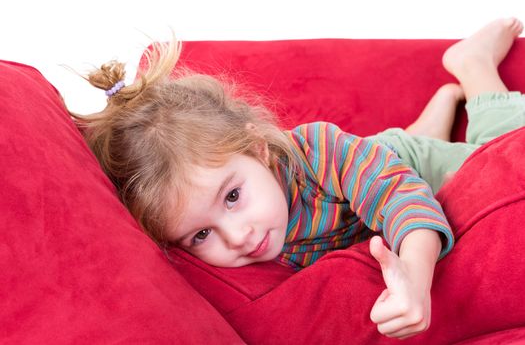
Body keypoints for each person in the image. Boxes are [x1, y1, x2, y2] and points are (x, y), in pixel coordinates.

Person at [69, 18, 523, 339]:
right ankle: (438, 110)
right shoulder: (242, 214)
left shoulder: (319, 150)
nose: (239, 237)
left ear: (259, 150)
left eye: (231, 197)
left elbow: (400, 196)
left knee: (501, 147)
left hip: (402, 165)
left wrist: (416, 276)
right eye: (201, 234)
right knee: (382, 150)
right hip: (367, 161)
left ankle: (472, 65)